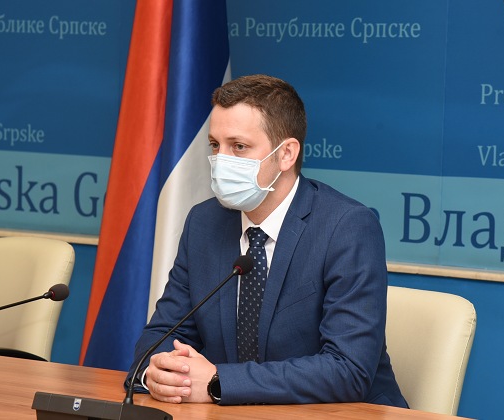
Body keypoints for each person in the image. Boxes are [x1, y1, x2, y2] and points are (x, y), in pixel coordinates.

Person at [126, 74, 407, 408]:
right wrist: (158, 373)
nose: (220, 161)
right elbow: (160, 337)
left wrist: (219, 382)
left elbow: (347, 370)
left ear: (286, 154)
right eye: (215, 145)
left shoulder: (346, 227)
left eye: (238, 147)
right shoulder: (204, 223)